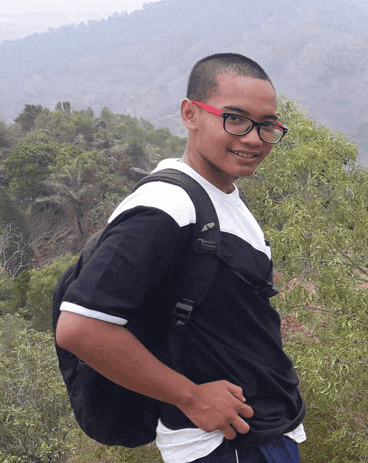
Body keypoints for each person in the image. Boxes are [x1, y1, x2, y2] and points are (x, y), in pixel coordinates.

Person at [55, 53, 306, 463]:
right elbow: (81, 327)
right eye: (235, 119)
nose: (254, 138)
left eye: (266, 125)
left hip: (263, 435)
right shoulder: (165, 206)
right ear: (191, 113)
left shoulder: (222, 197)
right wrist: (190, 397)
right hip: (225, 446)